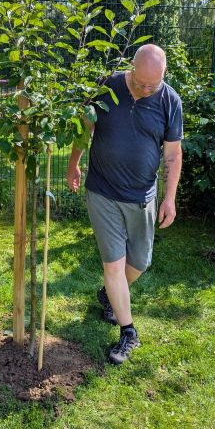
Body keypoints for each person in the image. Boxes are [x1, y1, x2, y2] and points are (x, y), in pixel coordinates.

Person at [66, 44, 183, 364]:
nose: (144, 90)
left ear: (163, 76)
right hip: (102, 189)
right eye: (140, 83)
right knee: (114, 265)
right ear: (131, 67)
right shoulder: (108, 85)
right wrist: (73, 163)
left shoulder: (170, 101)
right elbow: (85, 128)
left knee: (140, 262)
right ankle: (129, 332)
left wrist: (169, 198)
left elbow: (173, 155)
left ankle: (109, 294)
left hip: (142, 195)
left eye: (152, 86)